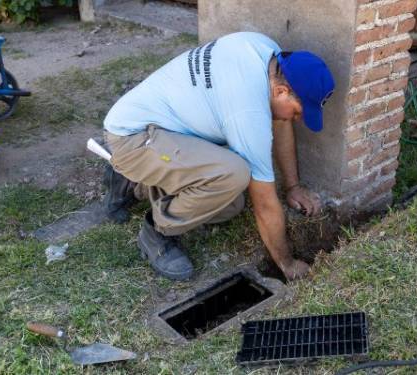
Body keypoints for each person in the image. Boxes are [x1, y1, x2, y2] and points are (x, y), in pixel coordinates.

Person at [102, 32, 335, 282]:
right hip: (133, 137)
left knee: (229, 205)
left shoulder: (266, 52)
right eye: (299, 112)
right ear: (281, 91)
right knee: (233, 175)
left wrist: (293, 186)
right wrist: (286, 264)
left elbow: (280, 123)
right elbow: (265, 203)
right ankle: (158, 230)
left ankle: (136, 181)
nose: (297, 119)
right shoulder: (248, 110)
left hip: (163, 129)